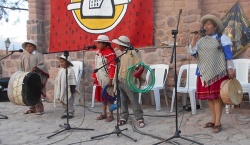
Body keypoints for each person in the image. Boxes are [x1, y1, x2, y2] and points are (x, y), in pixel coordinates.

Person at [188, 15, 235, 133]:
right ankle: (213, 120)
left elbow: (228, 55)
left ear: (215, 27)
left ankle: (218, 123)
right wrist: (194, 40)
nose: (206, 26)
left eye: (209, 24)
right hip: (204, 73)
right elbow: (193, 53)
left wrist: (230, 69)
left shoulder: (221, 38)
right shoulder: (201, 41)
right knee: (210, 98)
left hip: (218, 72)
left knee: (217, 98)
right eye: (205, 24)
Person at [112, 35, 145, 128]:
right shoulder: (122, 54)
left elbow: (139, 64)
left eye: (119, 45)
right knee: (123, 100)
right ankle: (123, 116)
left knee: (133, 100)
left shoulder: (133, 53)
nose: (118, 47)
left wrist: (138, 69)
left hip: (129, 81)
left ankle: (139, 118)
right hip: (121, 80)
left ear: (123, 45)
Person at [19, 39, 49, 115]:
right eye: (27, 46)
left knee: (36, 92)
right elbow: (21, 66)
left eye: (30, 46)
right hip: (27, 77)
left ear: (34, 47)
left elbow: (42, 65)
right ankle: (32, 108)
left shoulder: (38, 55)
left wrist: (36, 68)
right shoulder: (24, 56)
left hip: (36, 78)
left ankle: (39, 109)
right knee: (28, 92)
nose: (28, 48)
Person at [92, 35, 116, 122]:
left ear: (105, 44)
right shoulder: (98, 52)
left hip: (106, 78)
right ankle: (104, 113)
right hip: (99, 78)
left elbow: (112, 66)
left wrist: (111, 78)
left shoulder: (110, 53)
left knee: (108, 96)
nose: (97, 44)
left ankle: (111, 114)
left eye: (99, 43)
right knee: (103, 97)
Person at [54, 55, 80, 119]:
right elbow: (58, 79)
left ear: (67, 62)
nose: (61, 63)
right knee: (63, 101)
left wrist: (71, 89)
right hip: (62, 89)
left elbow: (72, 81)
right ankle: (66, 112)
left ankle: (71, 113)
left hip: (68, 89)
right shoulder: (61, 70)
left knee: (69, 101)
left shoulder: (70, 70)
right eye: (60, 62)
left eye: (62, 62)